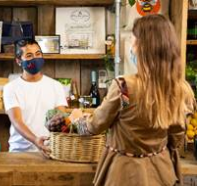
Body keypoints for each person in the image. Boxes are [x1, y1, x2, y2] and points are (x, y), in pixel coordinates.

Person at [48, 14, 196, 186]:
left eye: (133, 42)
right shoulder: (181, 89)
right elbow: (177, 136)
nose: (131, 49)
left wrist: (77, 120)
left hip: (124, 173)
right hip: (162, 172)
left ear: (142, 47)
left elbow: (96, 126)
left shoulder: (125, 89)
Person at [3, 39, 67, 156]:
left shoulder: (56, 86)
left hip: (50, 150)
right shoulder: (11, 88)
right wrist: (36, 140)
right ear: (18, 61)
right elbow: (16, 121)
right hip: (19, 152)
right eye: (29, 55)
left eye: (38, 54)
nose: (35, 58)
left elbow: (60, 118)